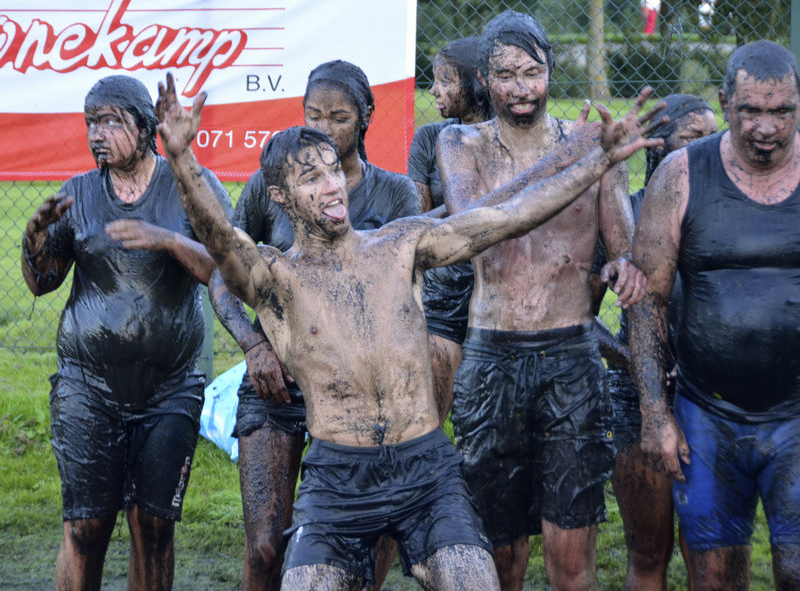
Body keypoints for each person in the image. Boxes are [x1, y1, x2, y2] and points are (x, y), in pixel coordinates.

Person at [154, 70, 661, 590]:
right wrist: (181, 159)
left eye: (333, 171)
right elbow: (219, 237)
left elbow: (509, 216)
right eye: (311, 179)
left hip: (425, 469)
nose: (332, 187)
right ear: (279, 197)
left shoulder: (401, 245)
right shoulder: (273, 277)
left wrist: (598, 161)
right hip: (337, 479)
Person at [438, 11, 648, 591]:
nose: (521, 88)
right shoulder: (460, 142)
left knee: (571, 557)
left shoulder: (590, 144)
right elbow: (474, 224)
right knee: (500, 556)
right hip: (491, 356)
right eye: (505, 74)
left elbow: (621, 247)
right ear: (484, 78)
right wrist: (573, 161)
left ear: (551, 72)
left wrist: (622, 267)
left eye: (532, 73)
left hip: (571, 358)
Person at [207, 59, 419, 591]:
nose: (323, 129)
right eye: (313, 115)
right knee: (263, 549)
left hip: (360, 396)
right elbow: (222, 271)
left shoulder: (395, 195)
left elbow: (411, 298)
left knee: (358, 557)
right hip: (275, 382)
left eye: (339, 117)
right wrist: (253, 344)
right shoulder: (271, 183)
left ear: (367, 117)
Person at [20, 75, 231, 591]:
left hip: (169, 387)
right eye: (92, 122)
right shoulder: (78, 193)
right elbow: (42, 283)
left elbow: (229, 268)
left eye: (112, 121)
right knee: (86, 525)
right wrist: (35, 237)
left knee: (154, 526)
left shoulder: (190, 188)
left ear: (146, 127)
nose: (98, 134)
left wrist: (167, 241)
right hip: (87, 386)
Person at [630, 39, 800, 590]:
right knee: (716, 579)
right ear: (725, 103)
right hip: (708, 413)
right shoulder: (681, 175)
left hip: (799, 415)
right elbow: (648, 303)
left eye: (782, 112)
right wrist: (657, 416)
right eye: (752, 110)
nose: (767, 128)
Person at [597, 94, 717, 590]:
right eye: (694, 139)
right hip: (635, 398)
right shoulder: (626, 216)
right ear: (659, 147)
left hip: (710, 397)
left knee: (707, 554)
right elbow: (575, 316)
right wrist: (628, 359)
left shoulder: (729, 216)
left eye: (715, 136)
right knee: (647, 554)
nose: (710, 149)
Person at [408, 36, 492, 422]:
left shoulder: (505, 137)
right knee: (428, 415)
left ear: (476, 82)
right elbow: (419, 220)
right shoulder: (430, 138)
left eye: (444, 80)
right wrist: (466, 206)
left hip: (492, 276)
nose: (434, 90)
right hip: (443, 285)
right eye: (433, 80)